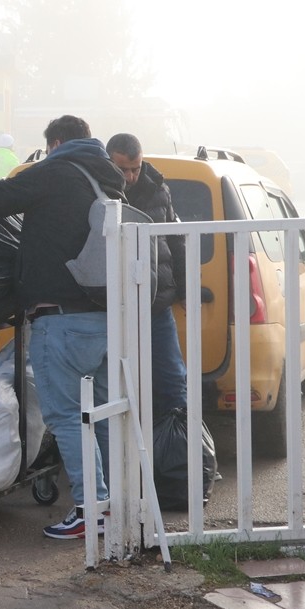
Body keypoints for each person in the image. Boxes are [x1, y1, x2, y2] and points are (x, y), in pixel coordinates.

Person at [0, 114, 125, 540]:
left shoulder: (58, 170)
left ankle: (88, 509)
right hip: (102, 319)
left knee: (66, 418)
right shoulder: (107, 179)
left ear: (56, 142)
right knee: (98, 415)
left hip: (59, 321)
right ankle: (109, 505)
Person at [105, 133, 188, 416]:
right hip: (110, 306)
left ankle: (180, 446)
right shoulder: (97, 190)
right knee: (111, 387)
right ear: (109, 163)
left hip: (156, 304)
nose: (130, 177)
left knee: (172, 380)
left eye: (135, 168)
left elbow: (176, 241)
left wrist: (186, 288)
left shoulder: (158, 189)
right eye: (123, 170)